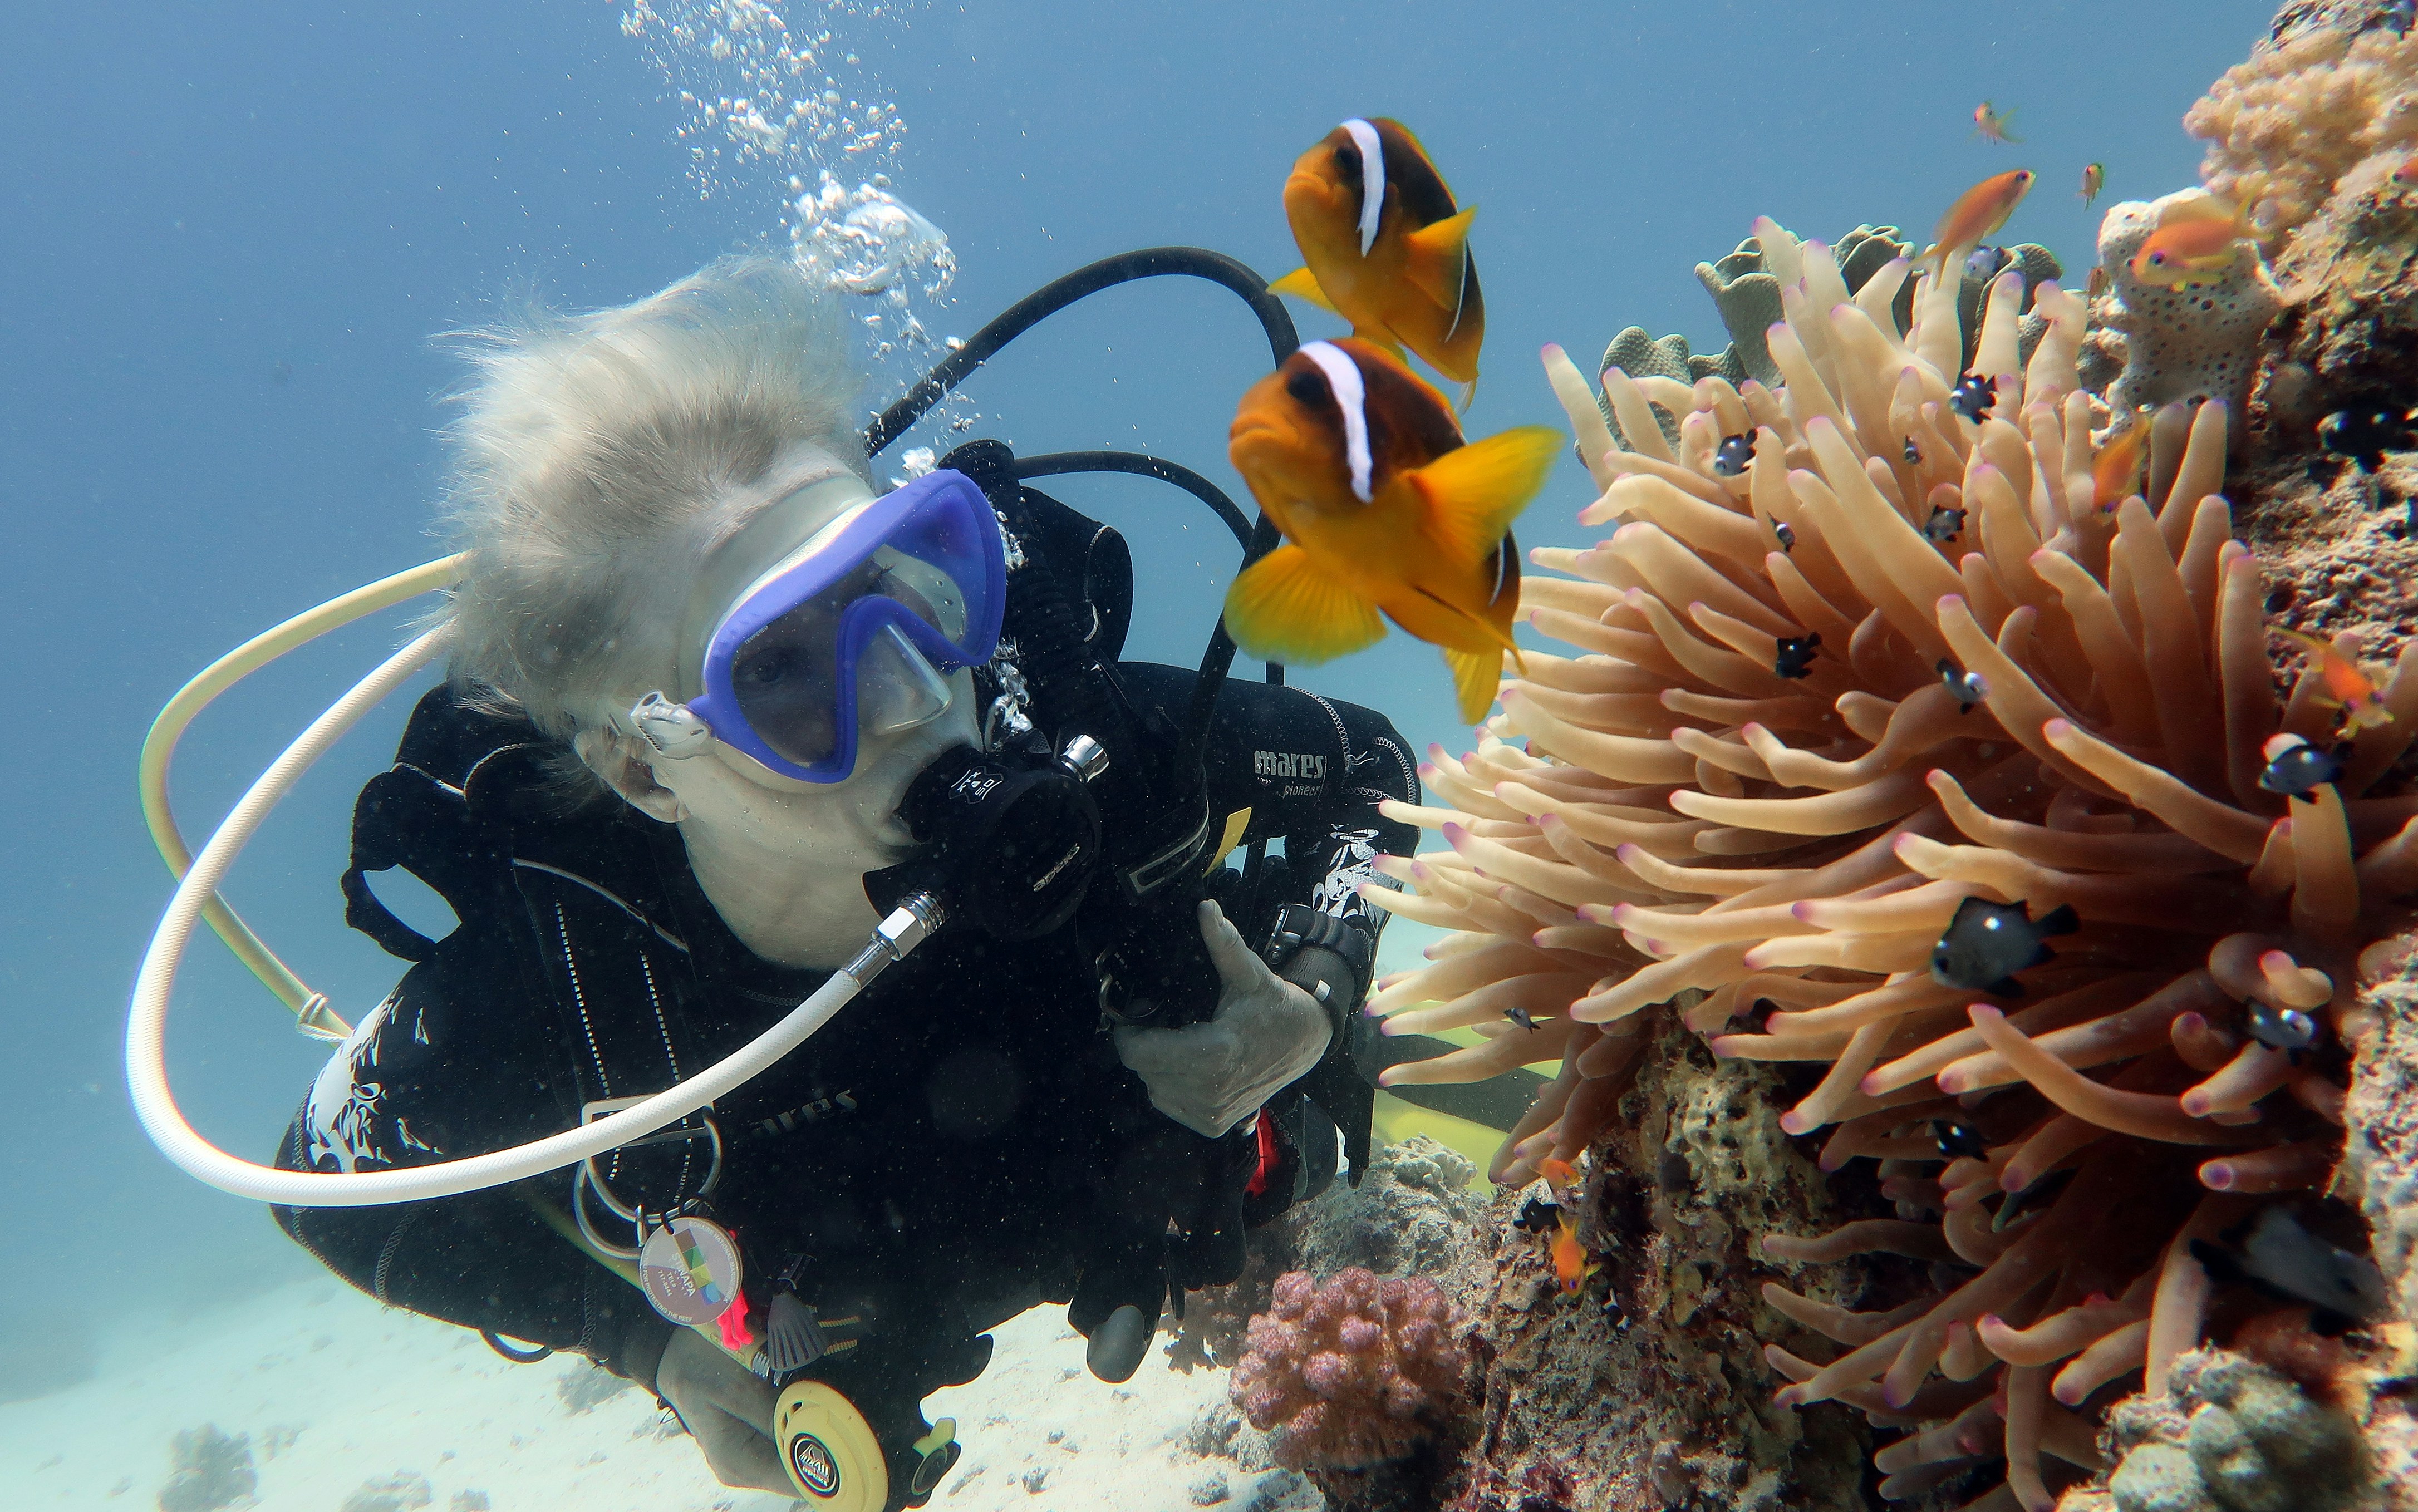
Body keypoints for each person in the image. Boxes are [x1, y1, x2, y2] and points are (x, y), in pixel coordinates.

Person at [269, 257, 1417, 1510]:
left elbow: (1371, 768)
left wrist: (1311, 996)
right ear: (646, 771)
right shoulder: (573, 963)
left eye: (907, 581)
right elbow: (324, 1184)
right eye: (778, 672)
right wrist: (643, 1348)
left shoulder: (1095, 754)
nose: (917, 693)